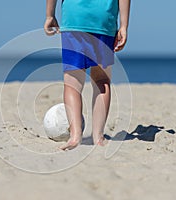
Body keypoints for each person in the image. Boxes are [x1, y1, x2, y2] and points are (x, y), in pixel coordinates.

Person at [44, 0, 130, 150]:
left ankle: (75, 136)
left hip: (75, 18)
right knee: (102, 81)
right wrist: (124, 25)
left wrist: (49, 15)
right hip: (103, 21)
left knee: (72, 84)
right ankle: (98, 136)